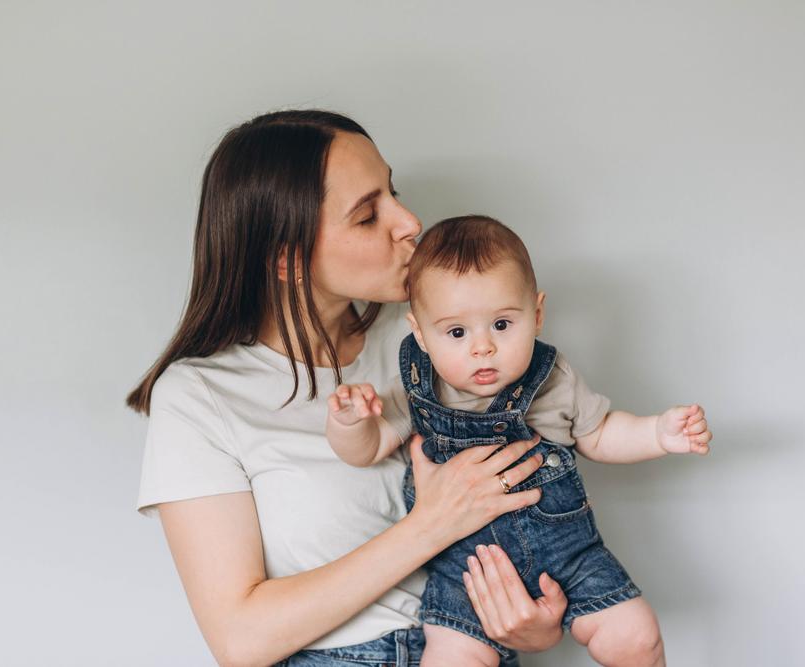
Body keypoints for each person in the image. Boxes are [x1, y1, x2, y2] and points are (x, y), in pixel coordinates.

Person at [128, 111, 570, 667]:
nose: (410, 222)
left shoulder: (436, 345)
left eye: (394, 192)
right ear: (286, 259)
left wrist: (535, 624)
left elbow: (534, 492)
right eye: (367, 216)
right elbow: (240, 638)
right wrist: (431, 524)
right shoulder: (199, 396)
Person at [325, 216, 713, 666]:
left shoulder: (552, 380)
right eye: (456, 332)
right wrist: (351, 424)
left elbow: (601, 433)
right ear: (421, 335)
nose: (482, 347)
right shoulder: (416, 389)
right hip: (465, 576)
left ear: (537, 314)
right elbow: (366, 450)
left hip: (570, 560)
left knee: (636, 636)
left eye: (503, 324)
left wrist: (658, 433)